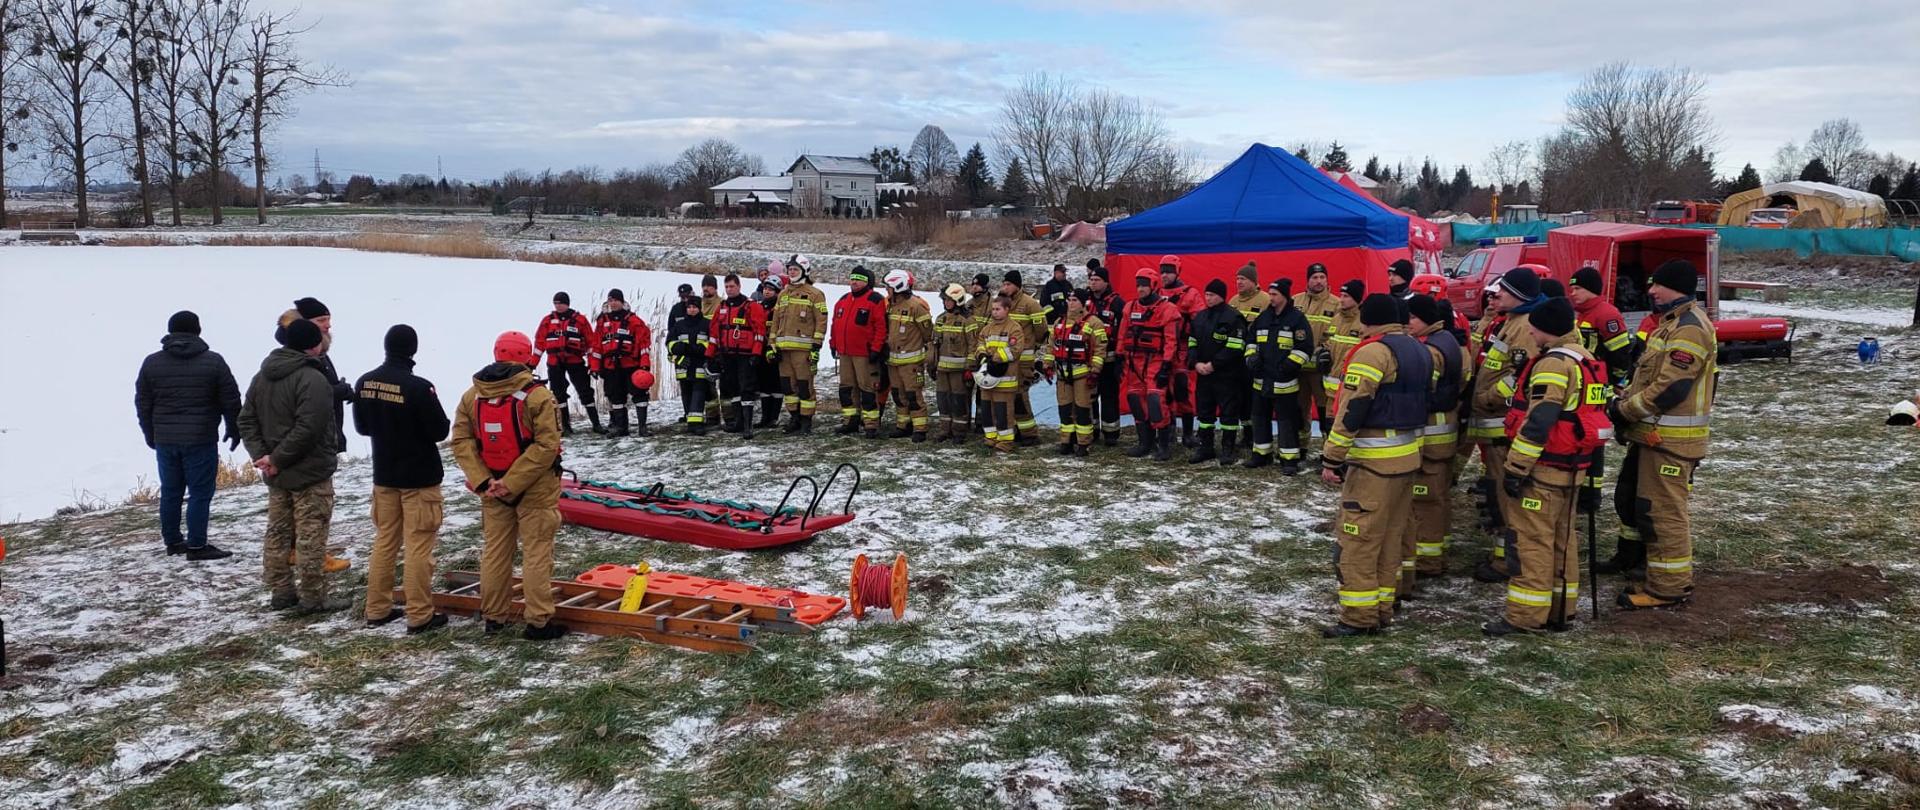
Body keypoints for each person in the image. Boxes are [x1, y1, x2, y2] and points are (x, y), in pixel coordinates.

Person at [1485, 296, 1606, 635]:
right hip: (1573, 466)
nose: (1531, 333)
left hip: (1544, 469)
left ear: (1546, 328)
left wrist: (1515, 467)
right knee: (1562, 540)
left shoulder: (1552, 365)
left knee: (1531, 542)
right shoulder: (1585, 358)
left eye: (1534, 327)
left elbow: (1539, 420)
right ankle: (1560, 611)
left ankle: (1525, 617)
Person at [1319, 294, 1432, 638]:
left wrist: (1331, 457)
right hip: (1407, 459)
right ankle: (1381, 608)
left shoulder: (1373, 351)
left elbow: (1353, 409)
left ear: (1369, 319)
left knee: (1357, 541)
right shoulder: (1417, 348)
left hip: (1373, 465)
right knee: (1389, 539)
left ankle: (1358, 617)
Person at [1608, 260, 1717, 610]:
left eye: (1658, 285)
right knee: (1640, 507)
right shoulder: (1668, 326)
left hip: (1671, 443)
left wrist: (1625, 411)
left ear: (1677, 288)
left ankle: (1668, 588)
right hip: (1651, 437)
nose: (1651, 291)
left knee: (1664, 514)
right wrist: (1622, 398)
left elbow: (1670, 388)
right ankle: (1652, 573)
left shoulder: (1689, 329)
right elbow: (1648, 379)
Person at [449, 331, 568, 640]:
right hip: (535, 486)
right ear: (527, 355)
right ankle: (539, 621)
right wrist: (511, 483)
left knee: (496, 552)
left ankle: (494, 616)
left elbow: (461, 441)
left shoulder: (472, 396)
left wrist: (485, 481)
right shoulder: (538, 395)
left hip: (491, 487)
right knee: (537, 551)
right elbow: (547, 446)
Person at [239, 318, 346, 613]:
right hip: (308, 471)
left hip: (277, 473)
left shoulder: (262, 377)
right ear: (314, 346)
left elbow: (246, 420)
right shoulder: (313, 379)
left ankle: (281, 591)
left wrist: (265, 457)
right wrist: (274, 458)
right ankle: (313, 598)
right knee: (311, 534)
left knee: (278, 533)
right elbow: (309, 428)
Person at [352, 324, 452, 634]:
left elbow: (362, 428)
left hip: (384, 474)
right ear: (414, 350)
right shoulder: (419, 387)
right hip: (418, 478)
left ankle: (378, 609)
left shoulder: (365, 382)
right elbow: (439, 431)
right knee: (419, 546)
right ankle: (420, 615)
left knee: (385, 542)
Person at [135, 310, 242, 561]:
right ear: (198, 331)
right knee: (200, 493)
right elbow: (231, 400)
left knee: (171, 491)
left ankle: (173, 542)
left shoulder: (152, 363)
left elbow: (142, 403)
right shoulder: (213, 361)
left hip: (166, 440)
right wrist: (234, 429)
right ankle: (196, 546)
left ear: (170, 331)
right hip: (201, 438)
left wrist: (151, 434)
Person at [1467, 267, 1546, 584]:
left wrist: (1488, 397)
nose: (1495, 294)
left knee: (1506, 495)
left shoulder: (1525, 327)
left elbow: (1524, 378)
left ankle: (1508, 560)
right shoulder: (1511, 322)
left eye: (1503, 291)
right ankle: (1503, 554)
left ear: (1521, 297)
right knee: (1497, 492)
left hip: (1504, 427)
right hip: (1494, 427)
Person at [1406, 294, 1467, 587]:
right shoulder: (1447, 339)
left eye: (1413, 318)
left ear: (1427, 320)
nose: (1408, 323)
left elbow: (1424, 394)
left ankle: (1428, 561)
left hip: (1432, 437)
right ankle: (1436, 553)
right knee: (1438, 496)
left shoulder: (1432, 351)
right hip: (1443, 435)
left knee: (1426, 500)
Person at [1244, 278, 1311, 473]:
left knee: (1287, 421)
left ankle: (1289, 459)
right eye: (1270, 294)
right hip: (1261, 380)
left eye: (1274, 294)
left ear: (1284, 296)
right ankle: (1261, 454)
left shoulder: (1297, 319)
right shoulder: (1264, 317)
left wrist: (1290, 365)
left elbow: (1305, 347)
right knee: (1259, 417)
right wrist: (1251, 358)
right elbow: (1250, 340)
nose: (1270, 298)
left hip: (1285, 382)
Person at [1116, 267, 1183, 461]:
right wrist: (1120, 357)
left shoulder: (1167, 310)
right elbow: (1122, 334)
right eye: (1138, 285)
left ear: (1153, 286)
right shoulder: (1130, 308)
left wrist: (1167, 365)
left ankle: (1164, 445)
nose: (1140, 289)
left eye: (1144, 285)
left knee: (1155, 400)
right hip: (1134, 361)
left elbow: (1171, 340)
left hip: (1156, 361)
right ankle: (1145, 442)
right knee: (1135, 399)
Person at [1187, 278, 1248, 466]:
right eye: (1206, 294)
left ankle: (1227, 449)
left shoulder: (1234, 318)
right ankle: (1206, 447)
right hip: (1203, 375)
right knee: (1205, 414)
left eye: (1212, 295)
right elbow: (1192, 342)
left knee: (1229, 415)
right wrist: (1195, 363)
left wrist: (1213, 365)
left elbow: (1235, 347)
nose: (1208, 298)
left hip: (1226, 376)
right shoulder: (1200, 317)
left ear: (1221, 296)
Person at [771, 257, 828, 433]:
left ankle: (806, 420)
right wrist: (771, 345)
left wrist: (816, 346)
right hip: (783, 350)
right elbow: (775, 322)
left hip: (803, 351)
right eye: (790, 269)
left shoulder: (815, 294)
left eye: (795, 269)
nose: (792, 272)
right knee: (788, 386)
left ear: (804, 271)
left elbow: (821, 322)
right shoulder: (783, 294)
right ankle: (794, 417)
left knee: (804, 386)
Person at [709, 273, 770, 438]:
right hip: (727, 355)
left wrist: (756, 354)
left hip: (746, 355)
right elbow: (714, 333)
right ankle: (739, 422)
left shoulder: (751, 306)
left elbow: (759, 332)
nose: (729, 290)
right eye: (727, 287)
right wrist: (710, 355)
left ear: (739, 286)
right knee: (733, 389)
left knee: (746, 389)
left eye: (732, 286)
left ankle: (748, 426)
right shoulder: (722, 307)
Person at [831, 266, 890, 437]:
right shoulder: (843, 300)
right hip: (845, 352)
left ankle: (871, 424)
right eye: (852, 278)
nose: (854, 282)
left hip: (865, 354)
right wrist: (833, 344)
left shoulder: (875, 300)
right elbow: (835, 324)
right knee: (847, 389)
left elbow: (881, 327)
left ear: (867, 282)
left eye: (859, 279)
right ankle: (850, 421)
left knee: (868, 389)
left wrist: (876, 349)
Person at [1047, 291, 1107, 456]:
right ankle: (1066, 441)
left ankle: (1083, 444)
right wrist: (1047, 365)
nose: (1071, 303)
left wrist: (1095, 372)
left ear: (1083, 303)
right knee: (1065, 410)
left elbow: (1100, 349)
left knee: (1082, 410)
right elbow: (1051, 345)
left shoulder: (1094, 323)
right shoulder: (1060, 322)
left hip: (1083, 375)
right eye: (1069, 300)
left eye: (1075, 300)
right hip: (1062, 375)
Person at [292, 297, 352, 453]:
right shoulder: (299, 354)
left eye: (328, 319)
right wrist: (340, 390)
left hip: (329, 434)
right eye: (321, 320)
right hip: (315, 441)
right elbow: (308, 393)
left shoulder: (320, 352)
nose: (328, 325)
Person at [534, 291, 600, 436]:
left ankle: (596, 424)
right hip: (554, 362)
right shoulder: (547, 321)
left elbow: (591, 344)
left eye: (560, 303)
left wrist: (593, 365)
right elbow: (539, 343)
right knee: (558, 394)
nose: (557, 306)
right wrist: (532, 363)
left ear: (566, 304)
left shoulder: (580, 320)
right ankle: (565, 426)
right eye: (555, 303)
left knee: (585, 391)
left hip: (575, 361)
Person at [589, 289, 652, 437]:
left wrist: (644, 365)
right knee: (615, 397)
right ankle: (621, 427)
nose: (613, 303)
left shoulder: (634, 321)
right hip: (611, 366)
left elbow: (644, 344)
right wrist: (594, 367)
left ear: (622, 302)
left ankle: (642, 427)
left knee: (640, 395)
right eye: (610, 300)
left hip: (631, 365)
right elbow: (596, 346)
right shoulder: (602, 322)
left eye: (616, 300)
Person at [1157, 256, 1205, 447]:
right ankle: (1168, 432)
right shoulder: (1156, 292)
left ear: (1177, 272)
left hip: (1182, 350)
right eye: (1162, 271)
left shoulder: (1190, 294)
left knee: (1182, 391)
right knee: (1163, 393)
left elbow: (1200, 324)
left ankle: (1187, 434)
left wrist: (1195, 350)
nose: (1164, 275)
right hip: (1160, 351)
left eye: (1168, 271)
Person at [882, 270, 935, 441]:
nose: (886, 290)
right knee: (898, 395)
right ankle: (903, 425)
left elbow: (928, 332)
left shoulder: (916, 306)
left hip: (911, 362)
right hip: (893, 360)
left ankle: (920, 428)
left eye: (888, 287)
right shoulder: (890, 305)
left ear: (898, 287)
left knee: (913, 395)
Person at [972, 295, 1028, 451]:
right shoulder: (987, 328)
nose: (994, 312)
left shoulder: (1014, 328)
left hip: (1005, 379)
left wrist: (995, 357)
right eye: (993, 309)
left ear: (1007, 310)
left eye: (998, 309)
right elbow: (980, 343)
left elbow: (1015, 350)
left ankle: (1006, 441)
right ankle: (990, 437)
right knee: (987, 410)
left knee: (1003, 412)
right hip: (987, 379)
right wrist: (982, 354)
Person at [1293, 264, 1340, 442]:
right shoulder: (1295, 301)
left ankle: (1327, 447)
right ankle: (1301, 445)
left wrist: (1321, 351)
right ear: (1308, 280)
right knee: (1299, 406)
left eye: (1322, 277)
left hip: (1321, 368)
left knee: (1324, 407)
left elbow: (1337, 335)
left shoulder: (1336, 304)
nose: (1318, 281)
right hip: (1297, 366)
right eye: (1314, 277)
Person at [1002, 270, 1048, 445]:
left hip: (1023, 359)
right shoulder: (1004, 304)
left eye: (1008, 284)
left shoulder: (1030, 304)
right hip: (1007, 358)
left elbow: (1042, 331)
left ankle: (1029, 434)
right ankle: (1013, 429)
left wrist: (1032, 346)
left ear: (1017, 286)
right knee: (1007, 394)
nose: (1005, 287)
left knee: (1020, 395)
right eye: (1004, 284)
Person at [931, 283, 980, 443]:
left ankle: (959, 432)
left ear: (958, 300)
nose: (946, 303)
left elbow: (974, 345)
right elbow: (934, 345)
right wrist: (931, 364)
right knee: (943, 401)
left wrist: (970, 368)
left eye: (949, 300)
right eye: (944, 300)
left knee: (959, 402)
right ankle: (945, 430)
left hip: (960, 371)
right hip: (942, 371)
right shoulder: (940, 319)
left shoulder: (968, 320)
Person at [1086, 265, 1129, 446]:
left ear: (1106, 282)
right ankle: (1092, 429)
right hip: (1088, 359)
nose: (1093, 283)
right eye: (1091, 280)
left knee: (1109, 396)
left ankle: (1111, 433)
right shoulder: (1086, 302)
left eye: (1097, 280)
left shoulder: (1118, 303)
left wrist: (1120, 357)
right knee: (1090, 396)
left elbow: (1123, 332)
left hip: (1110, 359)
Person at [665, 295, 713, 434]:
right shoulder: (679, 325)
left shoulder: (706, 324)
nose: (692, 310)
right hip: (683, 366)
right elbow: (669, 344)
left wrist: (698, 348)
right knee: (686, 394)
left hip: (700, 365)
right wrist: (678, 351)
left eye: (695, 307)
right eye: (689, 307)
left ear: (699, 308)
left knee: (699, 393)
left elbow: (712, 343)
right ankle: (689, 419)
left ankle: (696, 424)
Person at [754, 275, 786, 428]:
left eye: (771, 289)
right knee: (764, 384)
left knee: (776, 384)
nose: (767, 292)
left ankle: (774, 417)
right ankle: (765, 417)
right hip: (760, 350)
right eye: (765, 289)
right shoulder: (759, 307)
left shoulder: (780, 309)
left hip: (775, 350)